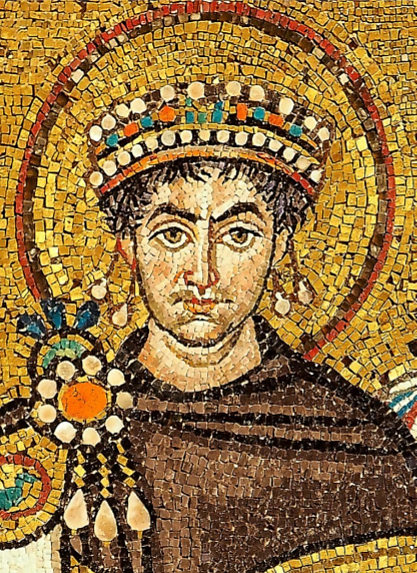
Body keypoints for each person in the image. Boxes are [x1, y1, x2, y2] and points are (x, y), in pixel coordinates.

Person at [60, 154, 415, 573]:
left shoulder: (366, 444)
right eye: (172, 234)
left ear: (278, 246)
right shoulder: (69, 431)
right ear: (128, 243)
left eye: (239, 235)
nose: (203, 274)